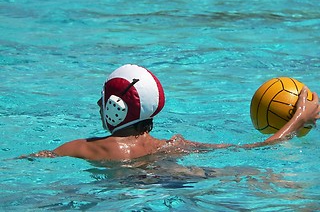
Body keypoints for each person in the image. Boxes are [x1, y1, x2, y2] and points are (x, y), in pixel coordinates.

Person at [26, 64, 320, 161]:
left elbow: (33, 159)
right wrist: (299, 118)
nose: (98, 106)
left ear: (117, 108)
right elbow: (257, 148)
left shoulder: (84, 148)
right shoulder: (172, 147)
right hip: (170, 179)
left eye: (103, 100)